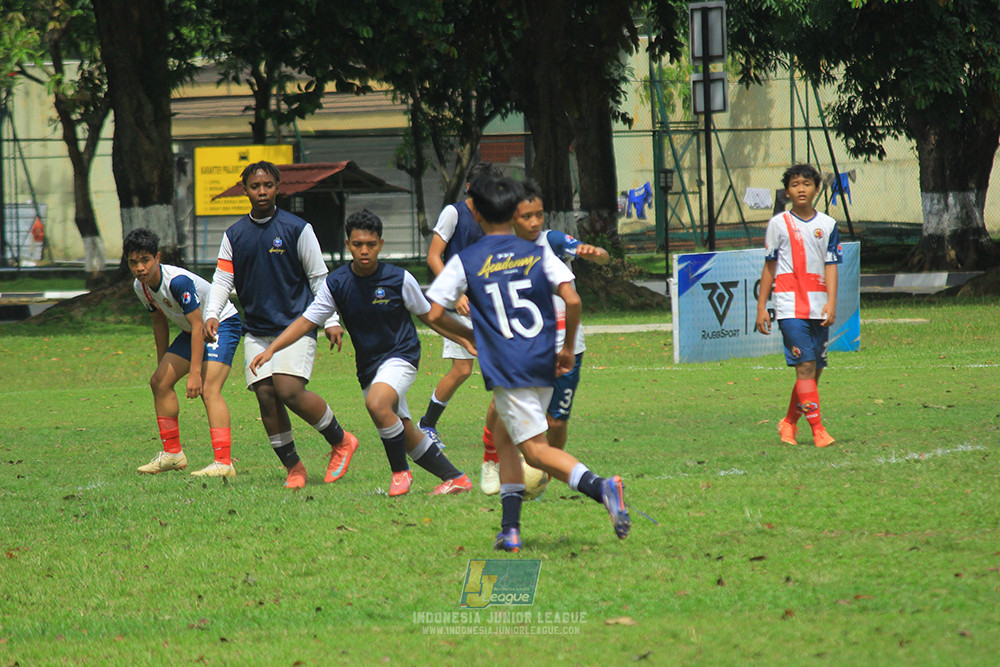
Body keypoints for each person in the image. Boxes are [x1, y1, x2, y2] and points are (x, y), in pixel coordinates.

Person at [425, 175, 631, 552]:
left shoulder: (467, 259)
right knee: (505, 438)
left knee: (535, 450)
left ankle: (602, 486)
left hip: (507, 366)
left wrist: (469, 335)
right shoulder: (536, 252)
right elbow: (572, 300)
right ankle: (510, 529)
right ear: (514, 213)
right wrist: (567, 347)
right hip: (544, 359)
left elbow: (434, 311)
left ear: (477, 213)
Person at [249, 209, 476, 497]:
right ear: (348, 245)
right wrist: (271, 349)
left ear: (381, 244)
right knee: (403, 430)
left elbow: (431, 316)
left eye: (370, 244)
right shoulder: (338, 283)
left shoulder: (399, 279)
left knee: (378, 404)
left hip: (401, 356)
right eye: (358, 245)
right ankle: (455, 478)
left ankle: (400, 473)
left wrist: (466, 337)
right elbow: (307, 320)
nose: (364, 251)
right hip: (369, 366)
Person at [203, 161, 358, 489]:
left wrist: (330, 319)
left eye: (268, 186)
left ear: (278, 187)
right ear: (245, 189)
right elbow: (222, 280)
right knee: (266, 395)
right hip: (257, 331)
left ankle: (342, 440)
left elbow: (319, 278)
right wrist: (211, 314)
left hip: (296, 325)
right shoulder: (234, 235)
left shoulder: (297, 228)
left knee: (288, 389)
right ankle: (295, 468)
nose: (262, 192)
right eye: (255, 186)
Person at [479, 180, 610, 495]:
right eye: (527, 216)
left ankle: (544, 474)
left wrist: (595, 254)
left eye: (539, 215)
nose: (535, 223)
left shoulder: (550, 240)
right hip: (526, 344)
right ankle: (490, 459)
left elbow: (594, 255)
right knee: (502, 405)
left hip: (567, 346)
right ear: (512, 216)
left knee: (555, 423)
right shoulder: (501, 247)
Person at [125, 228, 242, 478]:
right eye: (133, 262)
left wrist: (195, 374)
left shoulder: (177, 282)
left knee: (209, 389)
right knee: (159, 382)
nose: (140, 268)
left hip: (221, 324)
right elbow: (159, 322)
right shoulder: (141, 286)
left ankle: (224, 462)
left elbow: (200, 325)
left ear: (157, 257)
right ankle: (173, 454)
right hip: (193, 331)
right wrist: (163, 364)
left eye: (145, 260)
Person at [755, 163, 842, 448]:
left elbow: (831, 266)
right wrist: (762, 307)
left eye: (806, 184)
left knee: (813, 370)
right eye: (795, 185)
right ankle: (818, 430)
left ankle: (789, 423)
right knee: (804, 365)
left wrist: (831, 301)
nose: (801, 189)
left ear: (817, 189)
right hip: (789, 306)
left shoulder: (828, 225)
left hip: (819, 308)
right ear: (787, 192)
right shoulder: (778, 224)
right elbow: (769, 267)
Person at [418, 162, 503, 453]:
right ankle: (427, 424)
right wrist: (454, 294)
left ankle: (510, 430)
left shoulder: (496, 216)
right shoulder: (454, 213)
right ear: (469, 188)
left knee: (505, 368)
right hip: (461, 306)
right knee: (463, 370)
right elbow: (434, 257)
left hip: (489, 305)